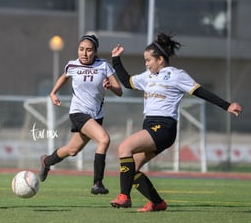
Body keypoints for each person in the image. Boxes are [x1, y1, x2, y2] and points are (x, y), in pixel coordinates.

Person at [109, 32, 243, 212]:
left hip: (164, 127)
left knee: (124, 147)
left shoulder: (176, 75)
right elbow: (126, 82)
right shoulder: (148, 77)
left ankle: (124, 197)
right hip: (150, 126)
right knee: (131, 168)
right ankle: (157, 202)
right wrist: (116, 59)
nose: (146, 64)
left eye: (149, 60)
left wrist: (227, 106)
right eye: (145, 60)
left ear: (161, 60)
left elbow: (201, 92)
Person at [39, 34, 123, 195]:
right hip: (78, 113)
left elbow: (119, 91)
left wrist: (110, 87)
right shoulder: (72, 65)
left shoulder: (104, 65)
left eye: (89, 50)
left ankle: (46, 161)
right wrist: (53, 92)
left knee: (72, 150)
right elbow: (64, 77)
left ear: (96, 51)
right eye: (81, 49)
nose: (84, 53)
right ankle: (97, 183)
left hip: (96, 116)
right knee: (104, 139)